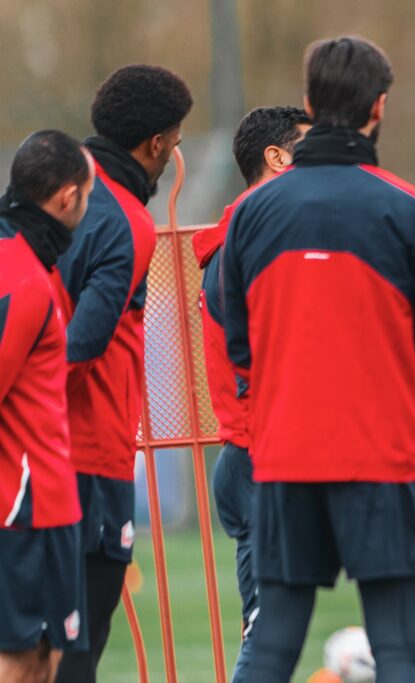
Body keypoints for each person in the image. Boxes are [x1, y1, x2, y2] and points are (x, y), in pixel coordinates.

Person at [221, 36, 415, 683]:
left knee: (272, 645)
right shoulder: (410, 210)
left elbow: (239, 341)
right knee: (399, 648)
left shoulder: (251, 212)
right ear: (378, 108)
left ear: (308, 104)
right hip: (382, 454)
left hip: (286, 454)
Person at [54, 65, 193, 683]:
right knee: (77, 648)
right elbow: (80, 348)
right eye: (178, 139)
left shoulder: (47, 186)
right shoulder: (127, 221)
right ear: (157, 143)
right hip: (85, 459)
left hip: (25, 458)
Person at [192, 106, 310, 682]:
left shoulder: (253, 232)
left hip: (272, 451)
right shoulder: (249, 236)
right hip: (263, 455)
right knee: (269, 636)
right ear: (278, 157)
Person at [0, 131, 95, 683]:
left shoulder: (32, 264)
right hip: (24, 509)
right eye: (88, 193)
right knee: (20, 660)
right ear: (66, 198)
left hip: (47, 506)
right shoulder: (22, 276)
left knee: (44, 661)